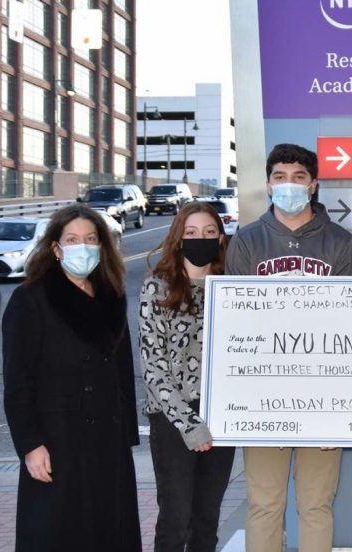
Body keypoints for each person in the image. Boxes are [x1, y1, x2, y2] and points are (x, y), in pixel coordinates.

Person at [226, 143, 352, 552]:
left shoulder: (339, 242)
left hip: (322, 394)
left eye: (299, 177)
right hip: (265, 396)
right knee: (266, 504)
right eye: (280, 177)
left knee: (316, 504)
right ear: (268, 185)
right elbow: (238, 326)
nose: (289, 185)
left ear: (314, 185)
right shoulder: (247, 242)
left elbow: (348, 327)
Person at [2, 204, 141, 551]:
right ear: (56, 248)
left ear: (102, 246)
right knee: (58, 532)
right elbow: (18, 382)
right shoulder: (31, 298)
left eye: (91, 239)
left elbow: (121, 372)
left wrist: (127, 434)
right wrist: (30, 445)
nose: (83, 247)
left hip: (108, 441)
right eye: (73, 239)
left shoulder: (113, 294)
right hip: (58, 442)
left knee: (109, 529)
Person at [139, 202, 236, 552]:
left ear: (221, 238)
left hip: (221, 415)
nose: (201, 239)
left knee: (207, 517)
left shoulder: (233, 289)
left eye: (209, 232)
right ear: (179, 238)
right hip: (172, 419)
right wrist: (188, 423)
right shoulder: (157, 288)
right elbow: (153, 366)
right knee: (175, 519)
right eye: (192, 232)